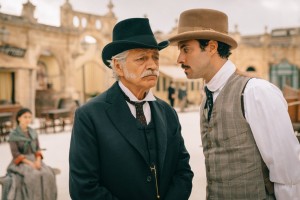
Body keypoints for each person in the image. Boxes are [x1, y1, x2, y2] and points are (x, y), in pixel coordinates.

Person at [169, 8, 300, 199]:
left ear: (212, 47)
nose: (179, 58)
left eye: (186, 49)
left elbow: (288, 174)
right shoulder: (207, 96)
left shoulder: (255, 92)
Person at [69, 18, 193, 200]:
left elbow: (182, 172)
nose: (152, 65)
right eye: (142, 58)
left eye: (155, 57)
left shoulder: (168, 113)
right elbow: (84, 188)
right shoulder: (89, 116)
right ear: (118, 66)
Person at [3, 108, 57, 200]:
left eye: (29, 117)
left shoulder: (33, 132)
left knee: (48, 174)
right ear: (19, 118)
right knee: (32, 176)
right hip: (21, 162)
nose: (28, 119)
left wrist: (38, 161)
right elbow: (15, 154)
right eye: (25, 117)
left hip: (35, 159)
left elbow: (37, 149)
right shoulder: (13, 135)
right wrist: (31, 164)